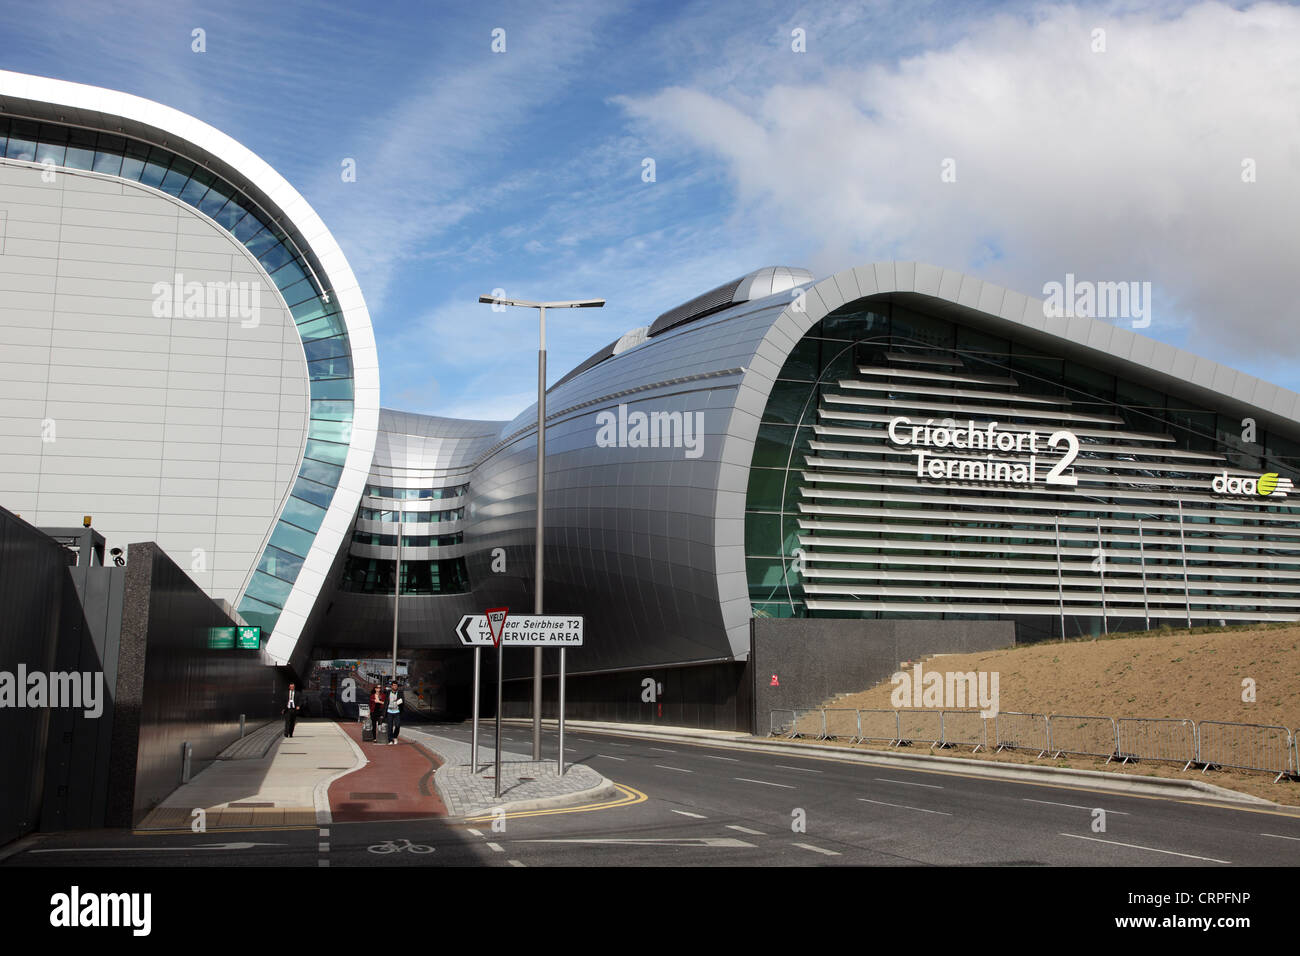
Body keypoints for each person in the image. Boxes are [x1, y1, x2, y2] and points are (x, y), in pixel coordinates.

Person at [386, 680, 403, 745]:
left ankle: (395, 737)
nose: (395, 686)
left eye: (396, 685)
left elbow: (402, 700)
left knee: (397, 725)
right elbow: (386, 702)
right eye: (394, 685)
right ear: (391, 686)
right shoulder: (388, 693)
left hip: (397, 711)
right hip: (389, 711)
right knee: (390, 727)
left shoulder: (400, 693)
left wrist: (398, 701)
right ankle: (390, 740)